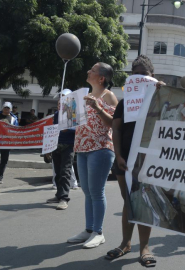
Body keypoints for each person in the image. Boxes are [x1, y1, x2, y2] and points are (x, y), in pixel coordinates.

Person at [106, 55, 164, 266]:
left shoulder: (161, 99)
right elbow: (117, 129)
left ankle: (145, 248)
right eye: (135, 74)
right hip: (124, 159)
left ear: (152, 77)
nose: (139, 78)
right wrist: (119, 155)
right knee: (129, 202)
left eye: (144, 75)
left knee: (144, 203)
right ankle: (125, 244)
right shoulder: (124, 102)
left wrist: (164, 91)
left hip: (149, 159)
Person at [67, 62, 118, 249]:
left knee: (96, 192)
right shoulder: (85, 95)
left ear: (101, 78)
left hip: (101, 148)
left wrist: (98, 108)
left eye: (92, 70)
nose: (88, 71)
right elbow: (73, 122)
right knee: (87, 192)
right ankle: (89, 230)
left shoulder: (109, 96)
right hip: (82, 148)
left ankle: (99, 232)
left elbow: (114, 124)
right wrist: (65, 111)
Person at [45, 89, 77, 210]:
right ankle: (58, 195)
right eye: (60, 97)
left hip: (68, 146)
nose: (61, 99)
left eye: (64, 97)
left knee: (65, 172)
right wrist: (48, 147)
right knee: (58, 172)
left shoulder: (73, 112)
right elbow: (53, 130)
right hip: (56, 145)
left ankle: (64, 198)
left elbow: (78, 129)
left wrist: (68, 129)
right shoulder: (57, 114)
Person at [0, 102, 19, 184]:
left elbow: (16, 131)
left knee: (4, 161)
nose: (6, 109)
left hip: (6, 143)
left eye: (8, 108)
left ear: (11, 109)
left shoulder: (14, 119)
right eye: (5, 107)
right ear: (2, 108)